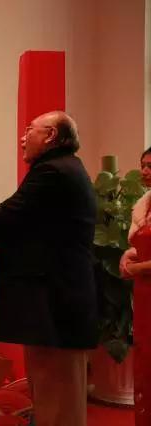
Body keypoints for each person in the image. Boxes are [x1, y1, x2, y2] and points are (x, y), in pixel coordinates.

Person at [0, 111, 97, 426]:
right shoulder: (62, 168)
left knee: (57, 394)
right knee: (50, 389)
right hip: (57, 303)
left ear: (51, 135)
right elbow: (27, 225)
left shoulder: (54, 171)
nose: (22, 137)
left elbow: (12, 216)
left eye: (30, 130)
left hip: (56, 304)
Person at [120, 146, 151, 425]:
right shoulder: (144, 204)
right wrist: (128, 255)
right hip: (144, 294)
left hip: (145, 281)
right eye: (142, 165)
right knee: (144, 360)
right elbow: (139, 245)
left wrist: (137, 269)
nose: (144, 171)